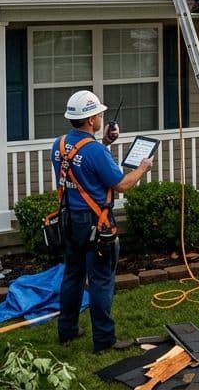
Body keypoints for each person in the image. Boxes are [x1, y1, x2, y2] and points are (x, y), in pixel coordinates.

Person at [51, 90, 153, 353]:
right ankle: (105, 340)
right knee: (100, 280)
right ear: (90, 119)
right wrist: (142, 168)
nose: (101, 117)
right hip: (95, 224)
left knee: (73, 276)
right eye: (98, 114)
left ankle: (68, 331)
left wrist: (105, 142)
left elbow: (83, 164)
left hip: (68, 220)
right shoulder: (95, 151)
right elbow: (121, 184)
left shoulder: (60, 145)